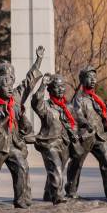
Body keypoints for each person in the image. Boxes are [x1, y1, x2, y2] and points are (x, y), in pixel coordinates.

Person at [0, 46, 44, 208]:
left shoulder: (15, 99)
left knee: (22, 166)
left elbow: (29, 82)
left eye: (12, 83)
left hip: (14, 143)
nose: (10, 88)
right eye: (6, 84)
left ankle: (22, 198)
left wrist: (38, 60)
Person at [66, 65, 107, 198]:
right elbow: (76, 114)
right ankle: (71, 190)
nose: (93, 80)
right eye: (90, 77)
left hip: (99, 136)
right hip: (86, 136)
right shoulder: (79, 98)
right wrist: (86, 123)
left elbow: (102, 115)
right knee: (77, 163)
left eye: (95, 77)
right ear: (82, 80)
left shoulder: (97, 99)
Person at [31, 73, 78, 203]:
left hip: (64, 143)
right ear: (50, 90)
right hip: (49, 143)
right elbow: (35, 102)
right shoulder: (45, 106)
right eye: (57, 87)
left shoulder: (67, 107)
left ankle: (48, 193)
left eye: (62, 86)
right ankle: (58, 196)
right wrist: (42, 85)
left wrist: (74, 132)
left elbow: (73, 123)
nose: (61, 89)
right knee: (56, 168)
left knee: (57, 169)